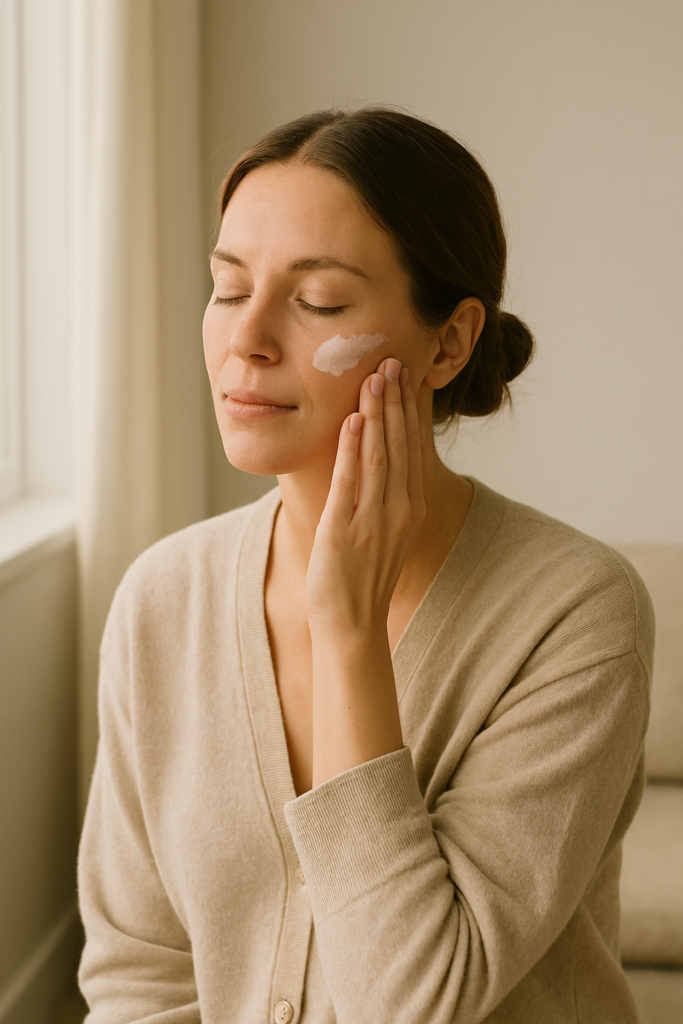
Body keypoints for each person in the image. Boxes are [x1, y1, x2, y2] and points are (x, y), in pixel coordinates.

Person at [77, 108, 653, 1023]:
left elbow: (412, 1002)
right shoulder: (163, 598)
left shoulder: (575, 611)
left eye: (319, 303)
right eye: (228, 289)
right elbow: (139, 976)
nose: (247, 338)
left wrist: (346, 627)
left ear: (449, 343)